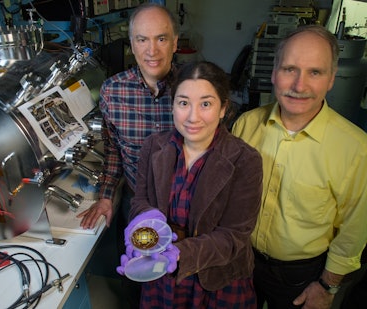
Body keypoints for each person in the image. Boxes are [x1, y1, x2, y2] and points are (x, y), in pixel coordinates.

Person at [231, 24, 367, 309]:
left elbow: (354, 230)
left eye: (315, 72)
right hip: (241, 261)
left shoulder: (356, 148)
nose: (299, 85)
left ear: (331, 79)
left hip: (302, 277)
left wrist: (327, 286)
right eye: (290, 69)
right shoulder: (246, 124)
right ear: (273, 73)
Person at [118, 61, 263, 308]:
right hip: (160, 273)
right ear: (173, 106)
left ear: (223, 108)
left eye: (205, 104)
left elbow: (234, 236)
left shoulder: (244, 159)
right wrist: (145, 219)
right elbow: (140, 200)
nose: (193, 117)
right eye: (184, 103)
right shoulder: (154, 147)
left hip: (215, 281)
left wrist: (182, 254)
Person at [77, 2, 178, 230]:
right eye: (142, 40)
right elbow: (114, 148)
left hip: (184, 204)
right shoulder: (113, 91)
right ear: (132, 45)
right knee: (137, 263)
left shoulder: (194, 87)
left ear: (175, 43)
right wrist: (105, 196)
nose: (152, 51)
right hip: (135, 202)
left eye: (161, 39)